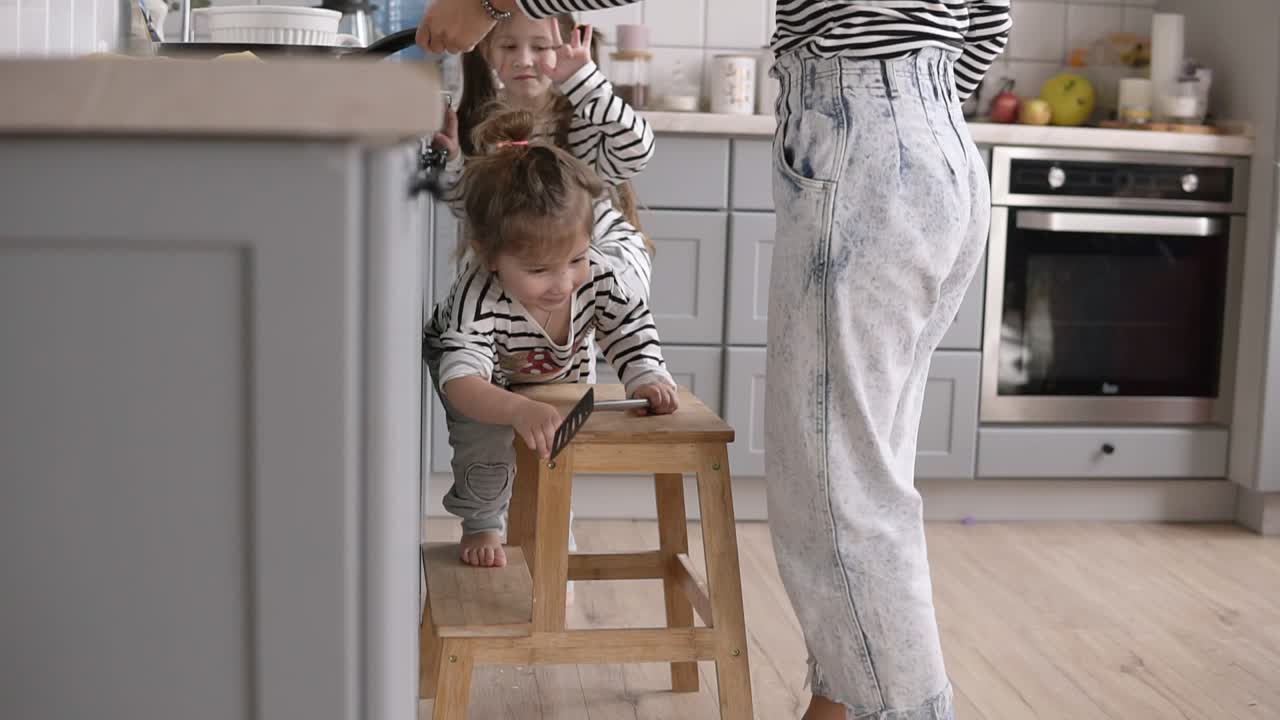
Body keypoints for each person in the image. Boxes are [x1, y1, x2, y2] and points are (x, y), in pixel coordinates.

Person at [418, 2, 1010, 719]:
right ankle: (838, 703)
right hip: (939, 136)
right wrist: (916, 110)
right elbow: (988, 24)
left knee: (841, 495)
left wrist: (490, 3)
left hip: (863, 135)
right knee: (864, 475)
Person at [423, 108, 678, 569]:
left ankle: (558, 519)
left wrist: (645, 374)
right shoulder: (478, 295)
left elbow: (628, 324)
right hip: (486, 384)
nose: (562, 283)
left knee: (556, 447)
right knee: (487, 445)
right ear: (490, 256)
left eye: (575, 259)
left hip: (557, 370)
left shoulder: (595, 274)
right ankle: (482, 520)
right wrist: (516, 408)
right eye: (539, 271)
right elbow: (460, 384)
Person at [432, 12, 655, 303]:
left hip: (594, 254)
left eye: (540, 47)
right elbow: (468, 205)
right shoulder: (480, 124)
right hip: (520, 262)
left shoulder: (582, 119)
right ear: (486, 49)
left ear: (563, 48)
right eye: (509, 47)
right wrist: (452, 159)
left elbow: (637, 148)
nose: (523, 59)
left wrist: (585, 83)